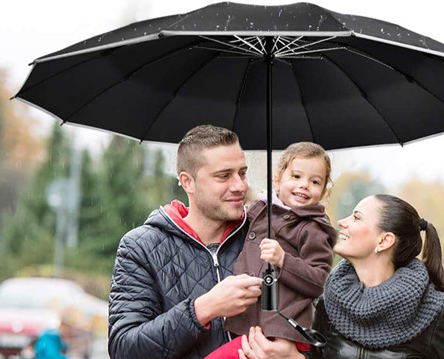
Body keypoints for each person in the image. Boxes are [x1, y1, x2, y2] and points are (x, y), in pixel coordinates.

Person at [108, 125, 301, 359]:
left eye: (242, 173)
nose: (240, 186)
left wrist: (295, 357)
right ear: (187, 181)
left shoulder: (271, 239)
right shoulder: (141, 247)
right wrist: (203, 309)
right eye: (224, 176)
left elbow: (317, 332)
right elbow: (124, 349)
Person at [207, 142, 337, 359]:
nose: (304, 185)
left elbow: (318, 281)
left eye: (315, 181)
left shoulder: (313, 228)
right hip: (253, 325)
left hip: (281, 331)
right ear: (277, 180)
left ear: (323, 191)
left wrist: (284, 260)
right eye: (296, 176)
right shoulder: (262, 210)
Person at [306, 194, 444, 359]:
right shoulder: (328, 302)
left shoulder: (436, 313)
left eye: (356, 218)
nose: (342, 222)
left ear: (384, 241)